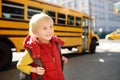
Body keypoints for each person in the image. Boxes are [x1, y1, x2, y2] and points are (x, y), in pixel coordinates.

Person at [17, 13, 68, 80]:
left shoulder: (55, 43)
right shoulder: (33, 49)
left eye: (51, 27)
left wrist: (60, 58)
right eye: (44, 28)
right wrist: (34, 70)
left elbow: (52, 57)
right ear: (35, 33)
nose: (49, 30)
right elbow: (20, 65)